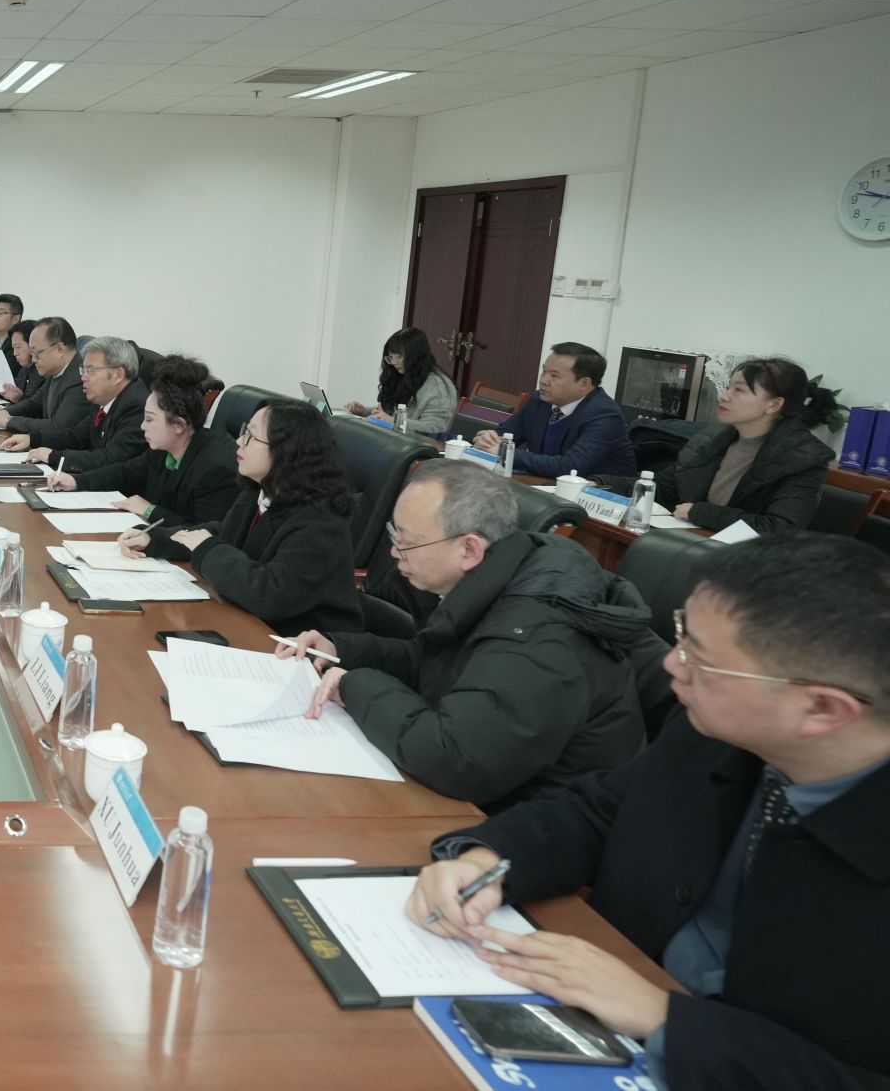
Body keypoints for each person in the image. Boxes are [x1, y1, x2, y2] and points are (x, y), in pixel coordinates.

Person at [402, 533, 890, 1090]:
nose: (670, 664)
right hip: (585, 1022)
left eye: (700, 657)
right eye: (683, 635)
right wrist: (485, 861)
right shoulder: (713, 732)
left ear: (822, 708)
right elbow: (602, 808)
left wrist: (664, 1017)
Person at [280, 461, 654, 810]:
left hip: (533, 823)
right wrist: (340, 650)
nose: (394, 552)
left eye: (406, 542)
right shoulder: (497, 579)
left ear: (469, 549)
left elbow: (456, 760)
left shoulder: (534, 637)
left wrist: (353, 686)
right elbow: (433, 662)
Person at [160, 400, 362, 637]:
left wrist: (206, 548)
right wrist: (158, 541)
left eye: (251, 437)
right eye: (244, 431)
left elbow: (269, 594)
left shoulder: (320, 523)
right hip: (247, 622)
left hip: (299, 643)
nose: (238, 441)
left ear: (286, 451)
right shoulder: (259, 490)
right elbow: (224, 535)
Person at [598, 357, 837, 533]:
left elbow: (779, 528)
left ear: (773, 405)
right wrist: (599, 484)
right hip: (694, 545)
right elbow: (661, 489)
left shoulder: (804, 459)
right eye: (729, 387)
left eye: (739, 390)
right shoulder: (712, 439)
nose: (725, 396)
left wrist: (699, 512)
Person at [56, 355, 239, 562]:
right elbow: (126, 472)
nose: (143, 426)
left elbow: (205, 535)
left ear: (179, 425)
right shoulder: (163, 447)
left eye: (150, 420)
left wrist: (150, 510)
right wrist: (76, 481)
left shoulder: (215, 468)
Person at [472, 342, 636, 478]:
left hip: (597, 498)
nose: (544, 381)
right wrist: (488, 439)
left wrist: (505, 452)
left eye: (554, 376)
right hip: (544, 485)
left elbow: (569, 467)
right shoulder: (539, 401)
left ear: (584, 384)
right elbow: (505, 434)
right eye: (544, 371)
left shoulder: (605, 416)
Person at [22, 335, 148, 473]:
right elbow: (77, 436)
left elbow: (110, 458)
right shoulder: (103, 397)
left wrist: (54, 457)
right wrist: (33, 439)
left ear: (118, 374)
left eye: (90, 370)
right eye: (83, 370)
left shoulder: (137, 407)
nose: (83, 377)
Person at [0, 318, 93, 448]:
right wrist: (3, 412)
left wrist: (10, 421)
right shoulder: (56, 371)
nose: (33, 359)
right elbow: (34, 404)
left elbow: (59, 426)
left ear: (59, 350)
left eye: (36, 353)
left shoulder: (80, 378)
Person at [346, 327, 457, 436]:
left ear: (415, 356)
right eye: (390, 357)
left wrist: (394, 421)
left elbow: (436, 428)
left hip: (421, 445)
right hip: (398, 440)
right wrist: (365, 412)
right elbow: (390, 413)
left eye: (399, 357)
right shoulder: (404, 374)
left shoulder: (437, 386)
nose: (394, 362)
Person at [0, 319, 40, 403]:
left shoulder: (43, 371)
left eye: (18, 347)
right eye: (13, 348)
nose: (15, 353)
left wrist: (20, 399)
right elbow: (14, 396)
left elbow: (37, 407)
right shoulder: (24, 368)